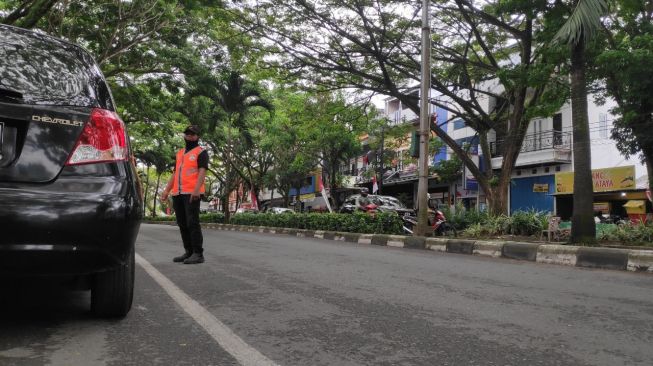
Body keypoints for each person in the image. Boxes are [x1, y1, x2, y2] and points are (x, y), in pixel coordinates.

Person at [161, 125, 209, 264]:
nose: (190, 136)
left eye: (193, 134)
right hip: (178, 193)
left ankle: (198, 253)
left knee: (192, 222)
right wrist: (166, 191)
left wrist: (196, 189)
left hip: (191, 193)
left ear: (197, 136)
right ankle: (188, 252)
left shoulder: (201, 152)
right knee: (182, 223)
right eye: (187, 134)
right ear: (184, 136)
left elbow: (202, 171)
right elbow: (175, 174)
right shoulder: (180, 153)